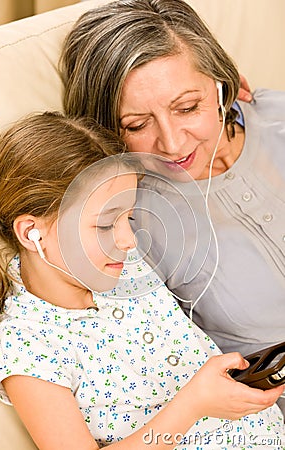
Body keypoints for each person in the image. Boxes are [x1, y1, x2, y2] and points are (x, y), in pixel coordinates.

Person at [0, 112, 284, 449]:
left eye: (127, 217)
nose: (128, 240)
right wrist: (192, 406)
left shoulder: (126, 269)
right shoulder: (26, 345)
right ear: (32, 233)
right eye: (104, 225)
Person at [60, 0, 285, 379]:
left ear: (219, 85)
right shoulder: (131, 226)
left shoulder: (276, 115)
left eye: (187, 107)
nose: (172, 144)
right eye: (136, 125)